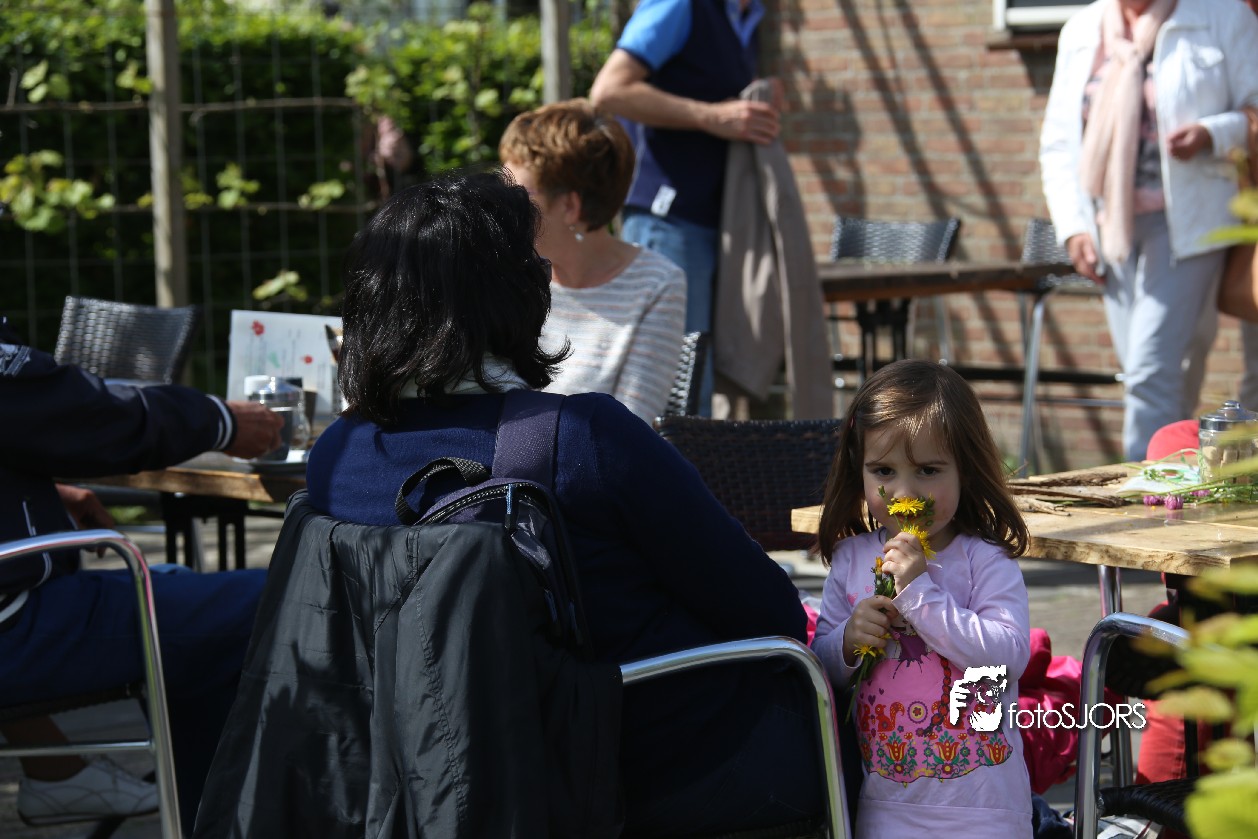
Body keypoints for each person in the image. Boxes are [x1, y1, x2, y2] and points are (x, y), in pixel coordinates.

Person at [302, 172, 824, 834]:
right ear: (519, 294)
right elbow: (768, 609)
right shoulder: (584, 440)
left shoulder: (337, 458)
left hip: (425, 785)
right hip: (650, 774)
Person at [0, 314, 283, 828]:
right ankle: (217, 818)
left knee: (179, 591)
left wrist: (40, 494)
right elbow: (83, 416)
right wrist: (220, 421)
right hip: (14, 626)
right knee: (271, 600)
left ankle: (188, 806)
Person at [811, 359, 1033, 838]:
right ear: (859, 470)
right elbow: (820, 670)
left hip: (984, 807)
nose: (904, 492)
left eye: (929, 470)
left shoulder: (983, 559)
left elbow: (1009, 656)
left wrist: (919, 593)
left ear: (965, 470)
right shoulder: (851, 559)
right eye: (883, 470)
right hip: (885, 804)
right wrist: (848, 641)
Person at [1038, 0, 1258, 462]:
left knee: (1149, 373)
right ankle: (1181, 475)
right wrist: (1073, 228)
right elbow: (1059, 142)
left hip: (1188, 227)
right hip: (1111, 227)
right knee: (1163, 372)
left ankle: (1145, 488)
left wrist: (1212, 132)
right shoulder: (1081, 29)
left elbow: (1255, 109)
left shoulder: (1223, 16)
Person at [590, 0, 781, 416]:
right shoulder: (681, 4)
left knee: (695, 380)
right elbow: (609, 90)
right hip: (668, 217)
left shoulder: (748, 15)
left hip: (711, 219)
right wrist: (711, 115)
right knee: (672, 385)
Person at [498, 99, 687, 424]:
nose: (501, 209)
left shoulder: (656, 285)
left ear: (570, 207)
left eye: (517, 196)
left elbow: (630, 430)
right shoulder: (509, 274)